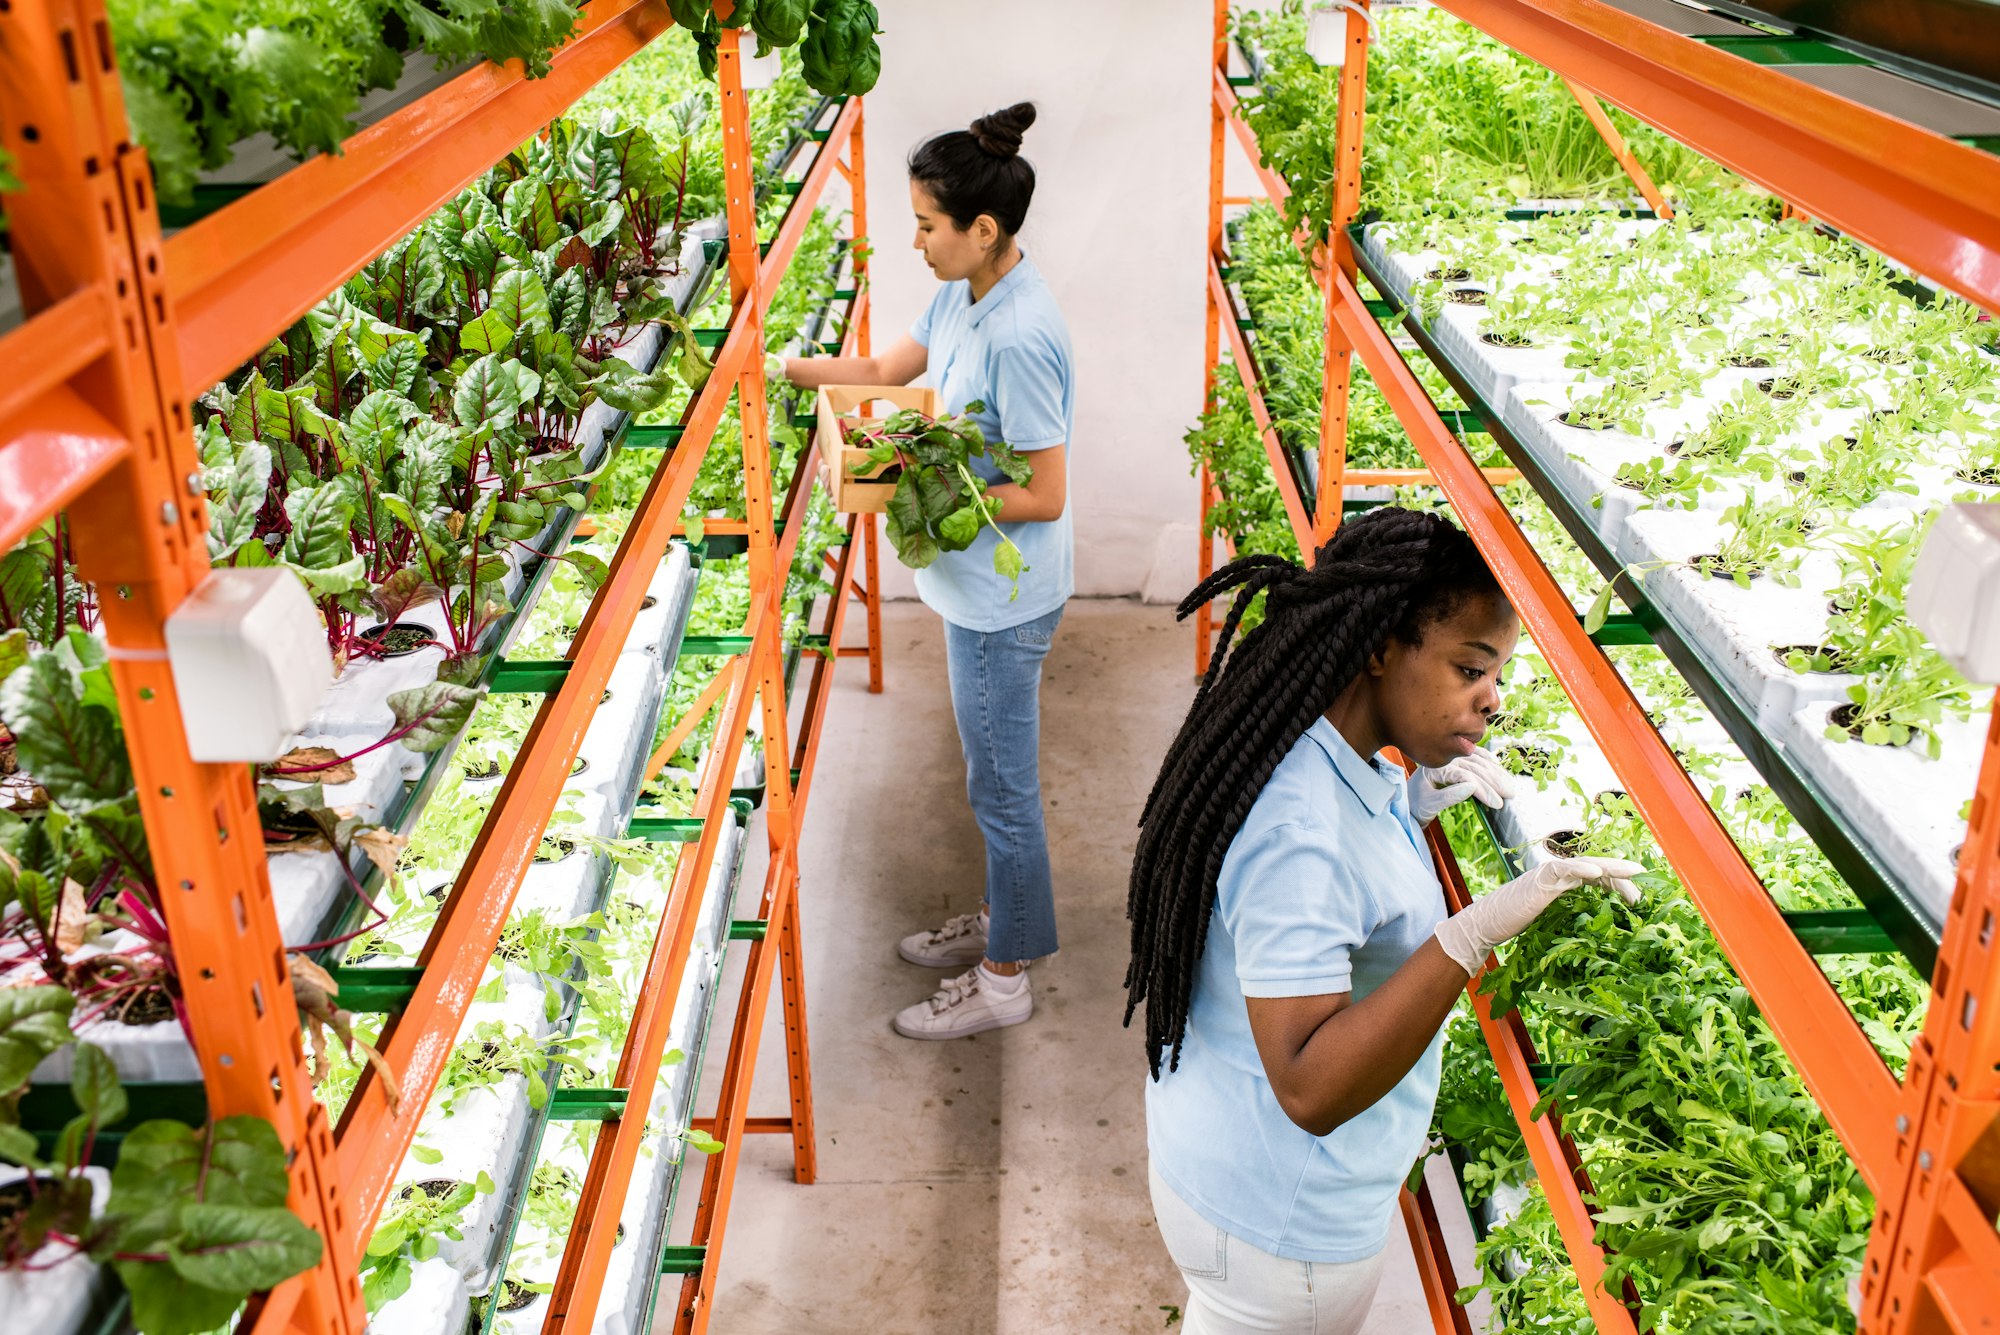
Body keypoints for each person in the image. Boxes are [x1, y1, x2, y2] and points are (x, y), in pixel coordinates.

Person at [1125, 510, 1643, 1335]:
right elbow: (1310, 1085)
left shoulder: (1323, 748)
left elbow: (1320, 897)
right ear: (1376, 647)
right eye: (1470, 668)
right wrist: (1468, 937)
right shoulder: (1300, 830)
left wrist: (1400, 809)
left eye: (1498, 671)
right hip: (1277, 1232)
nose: (1493, 699)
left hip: (1230, 1182)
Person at [776, 102, 1075, 1040]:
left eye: (926, 224)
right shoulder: (960, 292)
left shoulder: (1023, 335)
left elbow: (1047, 492)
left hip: (1003, 600)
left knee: (1002, 789)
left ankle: (1006, 977)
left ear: (982, 230)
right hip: (970, 586)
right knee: (990, 780)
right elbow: (877, 366)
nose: (915, 240)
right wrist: (779, 367)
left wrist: (927, 491)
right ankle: (1004, 921)